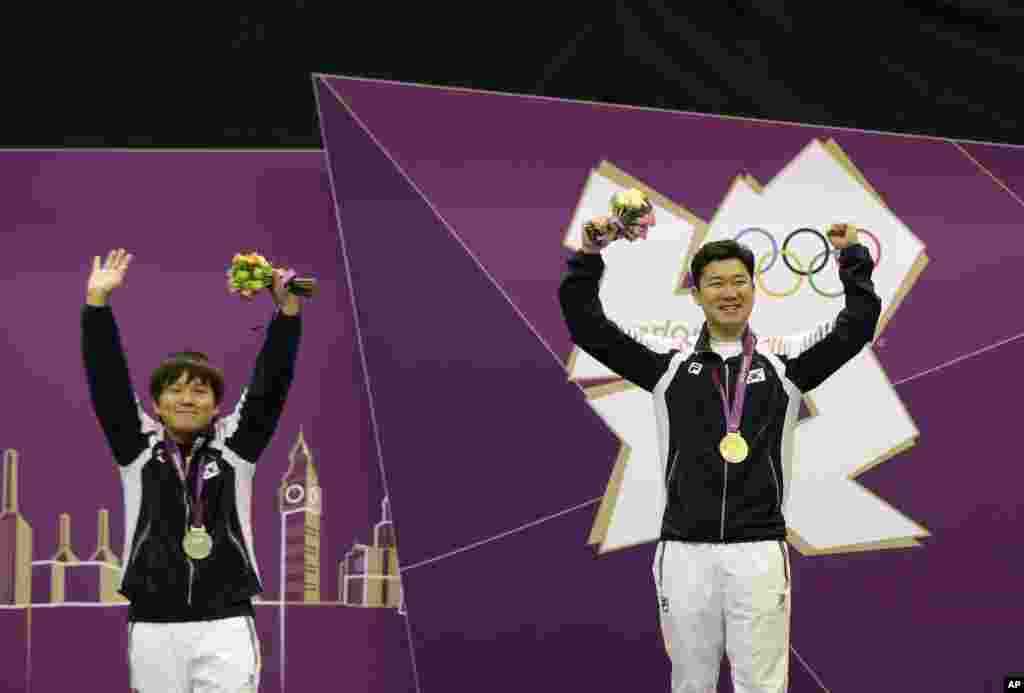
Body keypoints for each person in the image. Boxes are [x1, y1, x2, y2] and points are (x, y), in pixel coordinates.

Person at [558, 213, 881, 693]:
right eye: (716, 283)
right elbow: (588, 327)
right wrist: (588, 256)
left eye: (739, 282)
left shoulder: (784, 364)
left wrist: (852, 258)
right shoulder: (667, 365)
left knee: (763, 686)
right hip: (684, 549)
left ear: (753, 289)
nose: (729, 292)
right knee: (691, 684)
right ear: (696, 293)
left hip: (758, 550)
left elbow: (855, 328)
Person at [81, 248, 304, 693]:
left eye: (199, 391)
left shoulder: (235, 447)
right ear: (157, 405)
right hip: (153, 626)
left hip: (226, 623)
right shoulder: (137, 449)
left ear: (216, 405)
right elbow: (107, 382)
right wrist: (97, 307)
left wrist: (288, 315)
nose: (187, 399)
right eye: (175, 391)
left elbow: (268, 387)